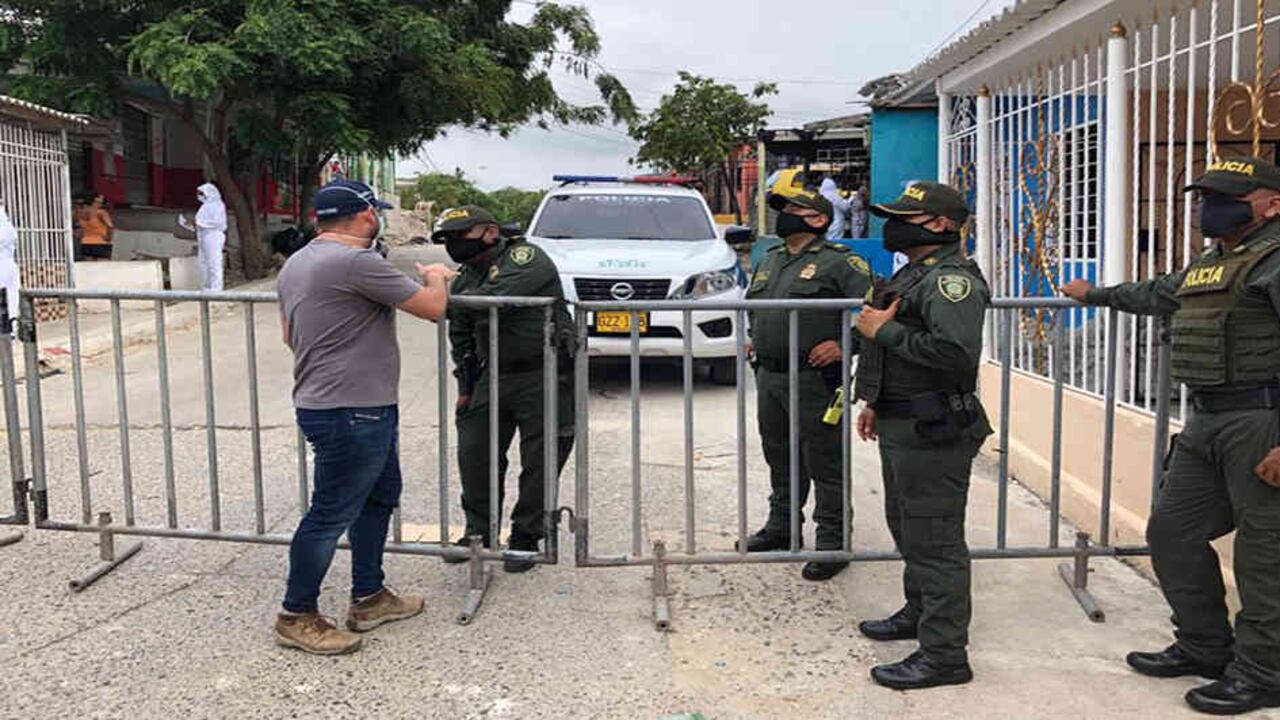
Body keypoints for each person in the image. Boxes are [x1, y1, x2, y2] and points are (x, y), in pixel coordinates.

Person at [1062, 156, 1280, 716]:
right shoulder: (1217, 261)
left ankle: (1264, 673)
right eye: (1206, 195)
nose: (1211, 207)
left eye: (1227, 196)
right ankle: (1206, 646)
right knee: (1172, 532)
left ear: (1272, 204)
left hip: (1263, 420)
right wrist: (1097, 295)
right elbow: (1160, 293)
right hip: (1206, 418)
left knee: (1264, 555)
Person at [274, 179, 454, 656]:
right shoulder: (356, 262)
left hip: (342, 403)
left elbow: (290, 335)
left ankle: (370, 596)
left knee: (379, 497)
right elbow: (433, 308)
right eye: (377, 212)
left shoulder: (298, 262)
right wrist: (436, 274)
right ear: (368, 216)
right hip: (351, 409)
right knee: (330, 513)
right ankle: (297, 614)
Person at [854, 180, 990, 690]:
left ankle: (945, 656)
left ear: (940, 224)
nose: (892, 224)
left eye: (903, 216)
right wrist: (876, 401)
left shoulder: (950, 281)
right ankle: (919, 612)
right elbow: (896, 351)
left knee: (935, 539)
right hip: (902, 418)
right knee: (909, 527)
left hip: (934, 426)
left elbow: (956, 354)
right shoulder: (913, 275)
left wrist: (882, 331)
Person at [434, 205, 576, 574]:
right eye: (447, 240)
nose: (453, 245)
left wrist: (444, 296)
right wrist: (465, 385)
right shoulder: (468, 276)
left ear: (490, 231)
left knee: (540, 460)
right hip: (489, 375)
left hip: (543, 374)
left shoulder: (525, 257)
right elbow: (461, 332)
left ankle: (527, 537)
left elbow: (496, 298)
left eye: (459, 236)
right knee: (475, 453)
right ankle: (478, 533)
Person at [741, 187, 872, 581]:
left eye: (793, 210)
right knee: (779, 455)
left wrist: (846, 344)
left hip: (815, 378)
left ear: (818, 219)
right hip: (770, 375)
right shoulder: (771, 258)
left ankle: (833, 541)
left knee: (825, 460)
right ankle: (783, 526)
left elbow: (875, 312)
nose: (784, 216)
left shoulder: (842, 263)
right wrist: (755, 335)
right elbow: (757, 306)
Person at [180, 183, 227, 290]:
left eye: (202, 193)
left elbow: (218, 223)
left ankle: (216, 289)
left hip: (213, 235)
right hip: (203, 236)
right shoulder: (204, 207)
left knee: (214, 263)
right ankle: (206, 288)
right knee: (204, 263)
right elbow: (199, 225)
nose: (199, 196)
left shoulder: (217, 205)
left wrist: (199, 223)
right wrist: (188, 224)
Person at [75, 193, 113, 261]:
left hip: (86, 242)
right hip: (101, 242)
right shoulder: (101, 213)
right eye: (99, 202)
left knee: (89, 267)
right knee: (104, 267)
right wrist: (109, 237)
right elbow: (110, 226)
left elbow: (77, 228)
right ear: (93, 202)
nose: (101, 204)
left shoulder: (80, 213)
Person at [0, 200, 18, 328]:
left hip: (4, 265)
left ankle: (9, 327)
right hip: (8, 265)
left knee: (8, 298)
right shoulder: (8, 227)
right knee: (10, 297)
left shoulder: (4, 227)